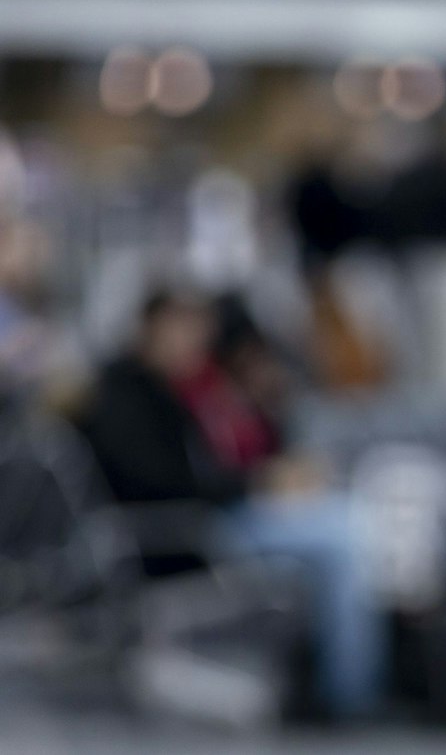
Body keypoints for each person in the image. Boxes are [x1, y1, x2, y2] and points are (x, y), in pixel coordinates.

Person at [77, 288, 387, 722]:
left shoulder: (173, 388)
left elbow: (215, 463)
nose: (196, 343)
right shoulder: (127, 397)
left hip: (211, 517)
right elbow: (167, 485)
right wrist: (255, 484)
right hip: (183, 534)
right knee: (344, 539)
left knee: (350, 521)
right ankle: (351, 696)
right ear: (155, 327)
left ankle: (356, 678)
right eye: (186, 329)